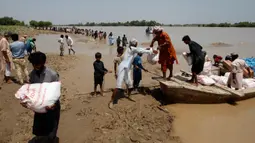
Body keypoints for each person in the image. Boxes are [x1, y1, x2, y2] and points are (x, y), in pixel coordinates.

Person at [24, 52, 60, 143]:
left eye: (38, 64)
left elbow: (56, 91)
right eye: (33, 64)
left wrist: (52, 104)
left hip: (52, 106)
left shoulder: (52, 74)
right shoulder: (32, 74)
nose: (35, 66)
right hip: (39, 106)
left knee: (51, 132)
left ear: (43, 62)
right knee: (39, 130)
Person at [108, 38, 152, 109]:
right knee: (118, 86)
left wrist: (148, 48)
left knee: (130, 85)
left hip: (128, 69)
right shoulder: (131, 49)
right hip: (122, 69)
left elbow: (140, 51)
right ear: (135, 44)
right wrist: (151, 51)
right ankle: (111, 101)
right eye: (136, 43)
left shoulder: (132, 50)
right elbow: (140, 50)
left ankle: (129, 95)